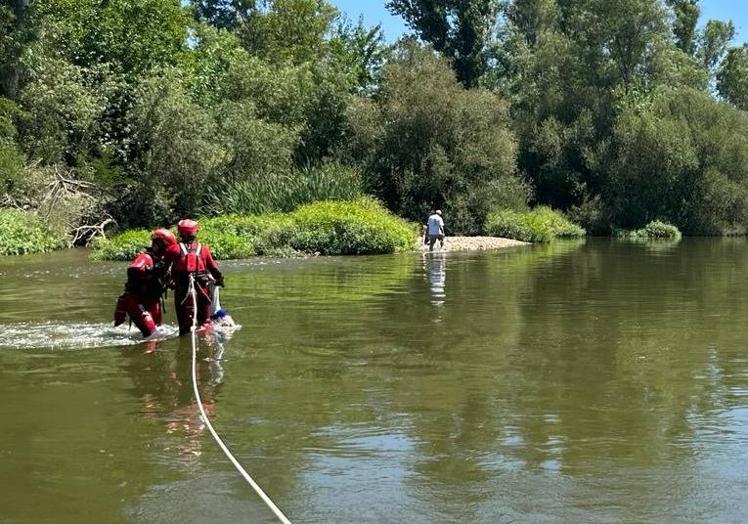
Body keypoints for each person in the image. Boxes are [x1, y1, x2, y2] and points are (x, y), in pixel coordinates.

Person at [161, 219, 224, 336]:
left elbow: (163, 271)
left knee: (184, 328)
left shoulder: (173, 249)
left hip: (182, 292)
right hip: (202, 291)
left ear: (180, 233)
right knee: (205, 323)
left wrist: (170, 284)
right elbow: (215, 269)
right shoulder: (204, 250)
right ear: (195, 233)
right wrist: (220, 281)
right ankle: (206, 347)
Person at [114, 229, 177, 337]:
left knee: (158, 331)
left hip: (152, 300)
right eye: (166, 248)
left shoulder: (161, 263)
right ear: (160, 245)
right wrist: (151, 271)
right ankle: (146, 352)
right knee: (152, 334)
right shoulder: (146, 257)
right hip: (136, 300)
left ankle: (151, 352)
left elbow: (170, 282)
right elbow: (134, 270)